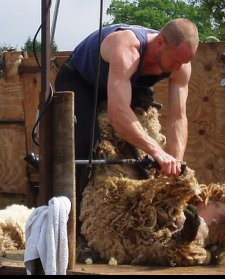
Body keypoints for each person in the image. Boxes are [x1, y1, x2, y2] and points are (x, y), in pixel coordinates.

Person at [55, 18, 199, 200]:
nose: (178, 67)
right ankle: (71, 211)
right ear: (160, 42)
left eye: (184, 62)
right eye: (176, 60)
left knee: (145, 143)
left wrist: (174, 162)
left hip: (126, 82)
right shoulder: (127, 48)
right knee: (84, 144)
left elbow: (178, 117)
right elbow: (118, 113)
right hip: (82, 79)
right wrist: (157, 151)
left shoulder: (181, 65)